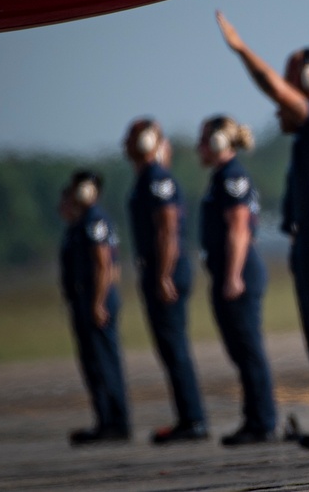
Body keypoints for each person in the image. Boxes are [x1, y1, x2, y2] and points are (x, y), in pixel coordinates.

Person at [216, 12, 309, 449]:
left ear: (308, 78)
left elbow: (275, 88)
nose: (278, 99)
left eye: (288, 85)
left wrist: (243, 51)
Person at [123, 118, 208, 444]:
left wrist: (162, 275)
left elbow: (167, 229)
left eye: (131, 138)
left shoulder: (157, 179)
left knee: (174, 347)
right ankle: (188, 417)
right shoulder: (147, 178)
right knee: (169, 348)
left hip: (165, 273)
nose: (124, 144)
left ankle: (193, 420)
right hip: (158, 271)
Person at [196, 115, 278, 446]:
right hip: (231, 271)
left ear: (217, 142)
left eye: (203, 140)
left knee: (248, 349)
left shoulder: (231, 176)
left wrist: (231, 276)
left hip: (239, 273)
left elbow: (238, 228)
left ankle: (262, 422)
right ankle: (255, 418)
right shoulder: (222, 177)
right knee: (241, 350)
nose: (198, 147)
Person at [58, 170, 130, 445]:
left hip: (94, 299)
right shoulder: (81, 223)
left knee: (104, 361)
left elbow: (104, 265)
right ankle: (105, 420)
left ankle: (115, 421)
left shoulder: (94, 221)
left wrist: (98, 302)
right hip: (85, 299)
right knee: (93, 363)